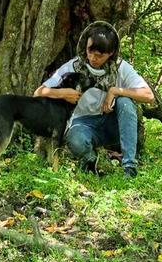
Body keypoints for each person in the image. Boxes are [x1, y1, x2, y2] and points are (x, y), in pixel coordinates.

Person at [33, 21, 154, 178]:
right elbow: (39, 92)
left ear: (110, 53)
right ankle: (90, 161)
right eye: (90, 52)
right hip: (82, 123)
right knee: (75, 140)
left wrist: (115, 90)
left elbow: (148, 95)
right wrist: (63, 93)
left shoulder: (120, 67)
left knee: (125, 102)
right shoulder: (74, 67)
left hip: (112, 123)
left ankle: (129, 167)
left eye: (99, 55)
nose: (93, 58)